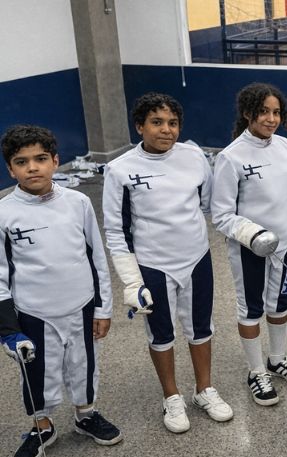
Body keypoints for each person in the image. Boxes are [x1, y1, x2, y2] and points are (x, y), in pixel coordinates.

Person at [103, 92, 233, 433]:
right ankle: (171, 397)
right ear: (139, 126)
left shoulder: (194, 157)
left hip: (197, 258)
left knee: (201, 327)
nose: (166, 130)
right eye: (157, 123)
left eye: (173, 123)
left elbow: (207, 205)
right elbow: (116, 231)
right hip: (153, 266)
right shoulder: (120, 170)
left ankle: (204, 390)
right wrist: (132, 281)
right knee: (162, 333)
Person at [0, 125, 122, 457]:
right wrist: (10, 331)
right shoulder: (5, 213)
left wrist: (103, 308)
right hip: (33, 313)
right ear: (11, 169)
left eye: (41, 159)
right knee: (38, 373)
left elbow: (97, 257)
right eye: (21, 162)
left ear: (55, 161)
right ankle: (41, 427)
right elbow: (0, 277)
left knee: (84, 366)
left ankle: (86, 415)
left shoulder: (78, 202)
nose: (33, 167)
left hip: (81, 305)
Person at [212, 83, 287, 404]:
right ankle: (256, 371)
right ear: (247, 113)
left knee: (280, 305)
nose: (271, 119)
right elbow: (222, 215)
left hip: (285, 247)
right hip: (249, 250)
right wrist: (254, 236)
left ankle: (277, 358)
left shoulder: (284, 147)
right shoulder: (231, 157)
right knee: (251, 309)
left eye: (276, 112)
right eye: (264, 112)